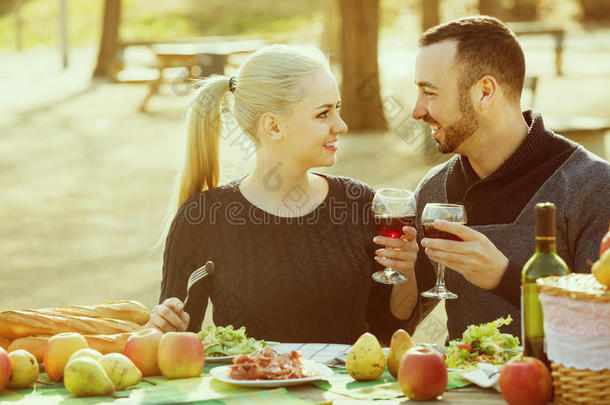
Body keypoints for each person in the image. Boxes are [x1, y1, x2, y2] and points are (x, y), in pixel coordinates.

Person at [142, 44, 419, 344]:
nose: (341, 125)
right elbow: (177, 346)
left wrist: (406, 274)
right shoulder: (203, 218)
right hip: (250, 388)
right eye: (323, 114)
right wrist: (164, 329)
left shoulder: (359, 203)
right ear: (273, 126)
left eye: (336, 109)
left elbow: (390, 332)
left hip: (343, 391)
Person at [404, 16, 610, 340]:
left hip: (565, 391)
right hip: (462, 390)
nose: (417, 110)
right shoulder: (434, 191)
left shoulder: (593, 187)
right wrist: (399, 274)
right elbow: (397, 322)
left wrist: (503, 276)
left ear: (485, 92)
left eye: (430, 93)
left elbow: (602, 324)